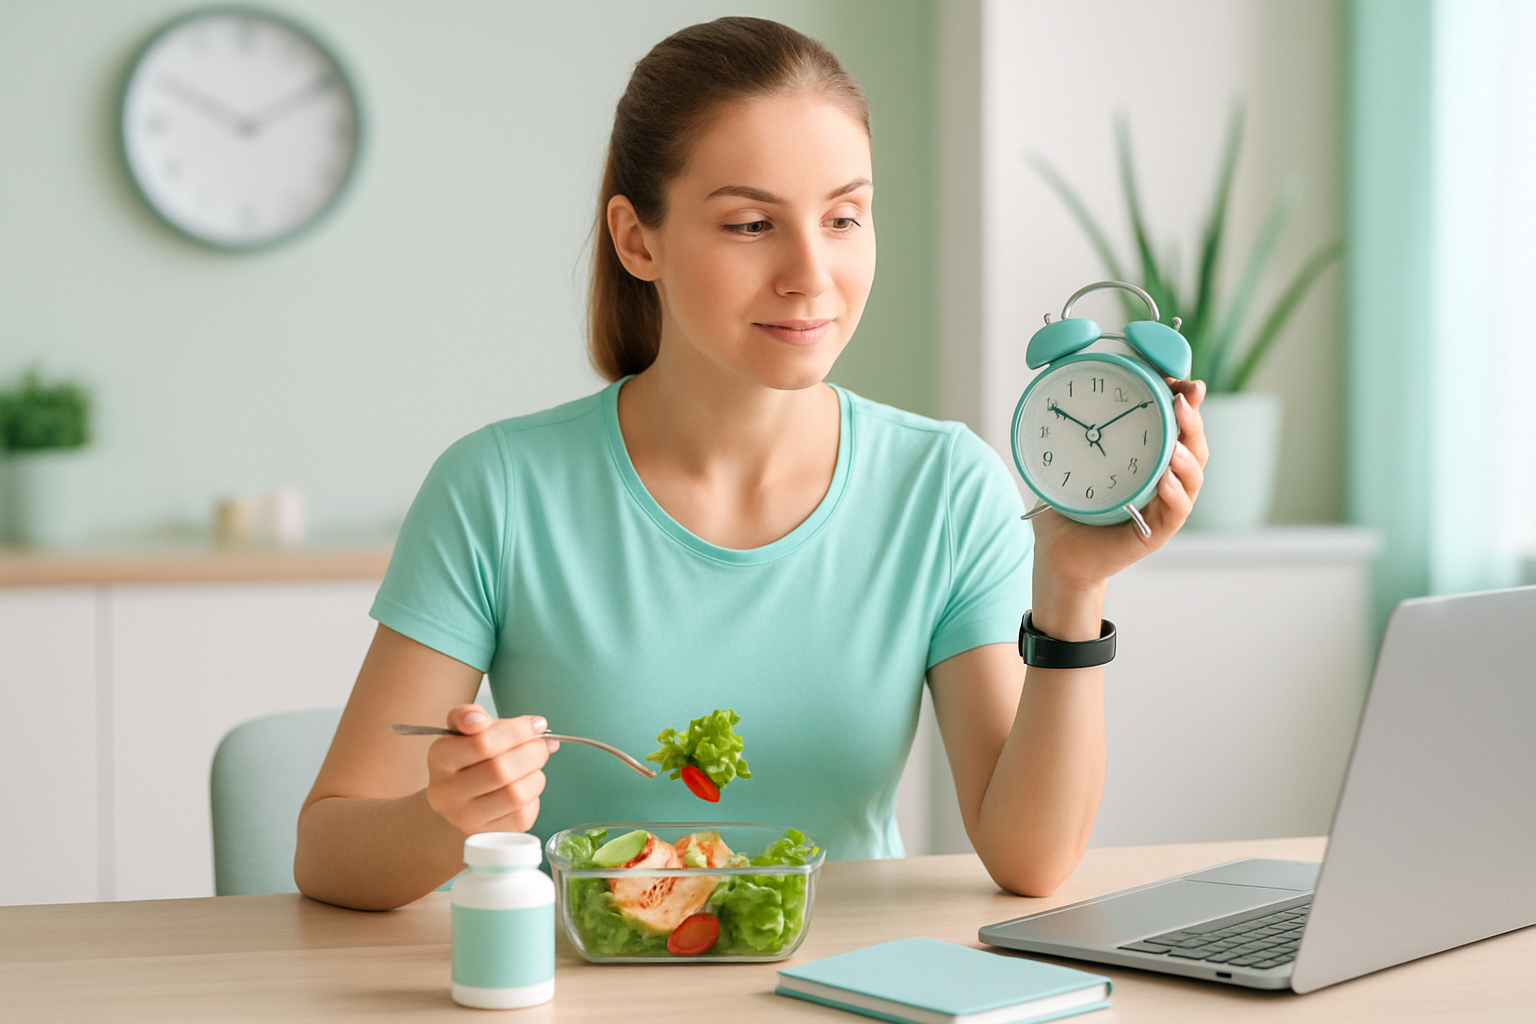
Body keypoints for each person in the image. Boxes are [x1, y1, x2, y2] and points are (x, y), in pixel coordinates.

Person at [295, 16, 1207, 912]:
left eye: (845, 216)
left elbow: (1031, 860)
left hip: (855, 993)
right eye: (749, 224)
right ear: (637, 239)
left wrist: (1074, 588)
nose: (811, 271)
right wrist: (445, 816)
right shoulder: (498, 489)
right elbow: (328, 848)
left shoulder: (944, 488)